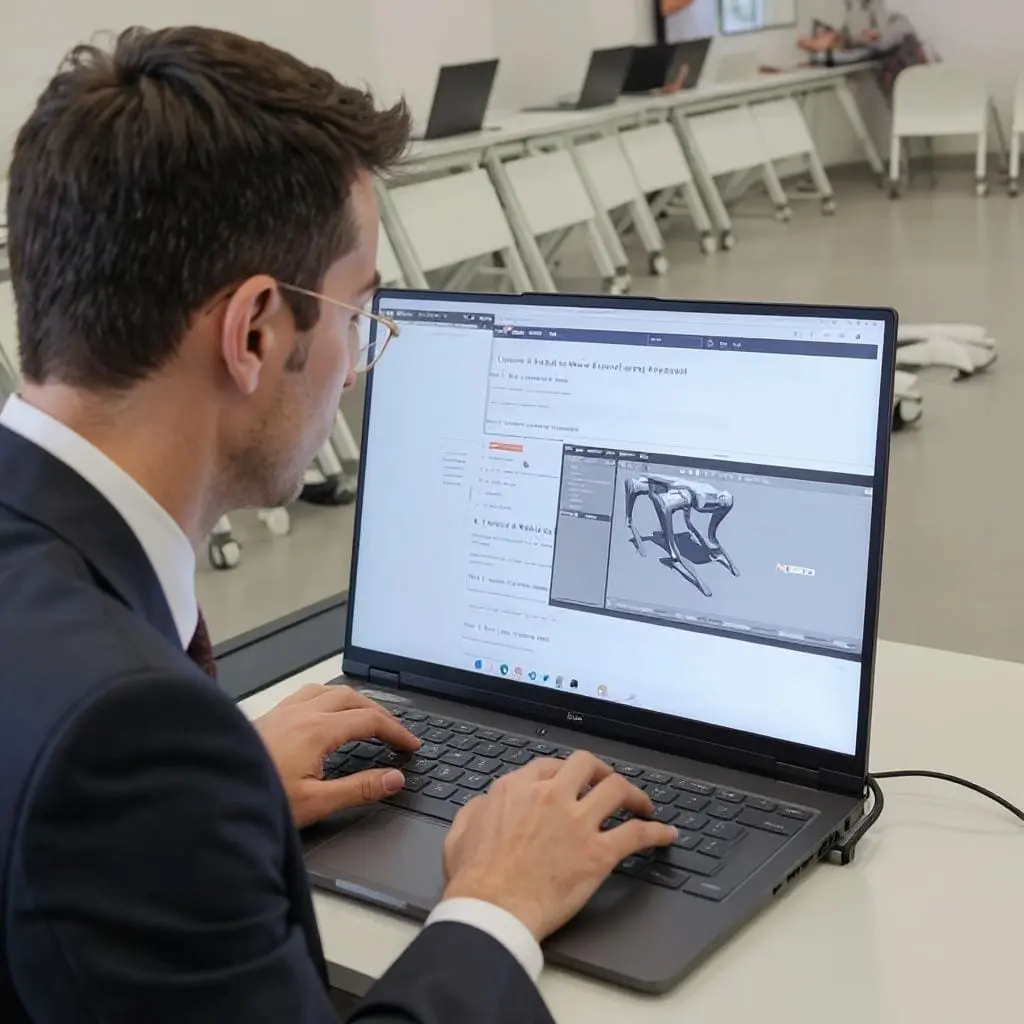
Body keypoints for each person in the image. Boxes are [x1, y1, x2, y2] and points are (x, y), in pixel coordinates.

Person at [0, 26, 678, 1023]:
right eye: (359, 314)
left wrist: (214, 797)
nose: (357, 364)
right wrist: (495, 906)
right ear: (258, 332)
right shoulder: (131, 734)